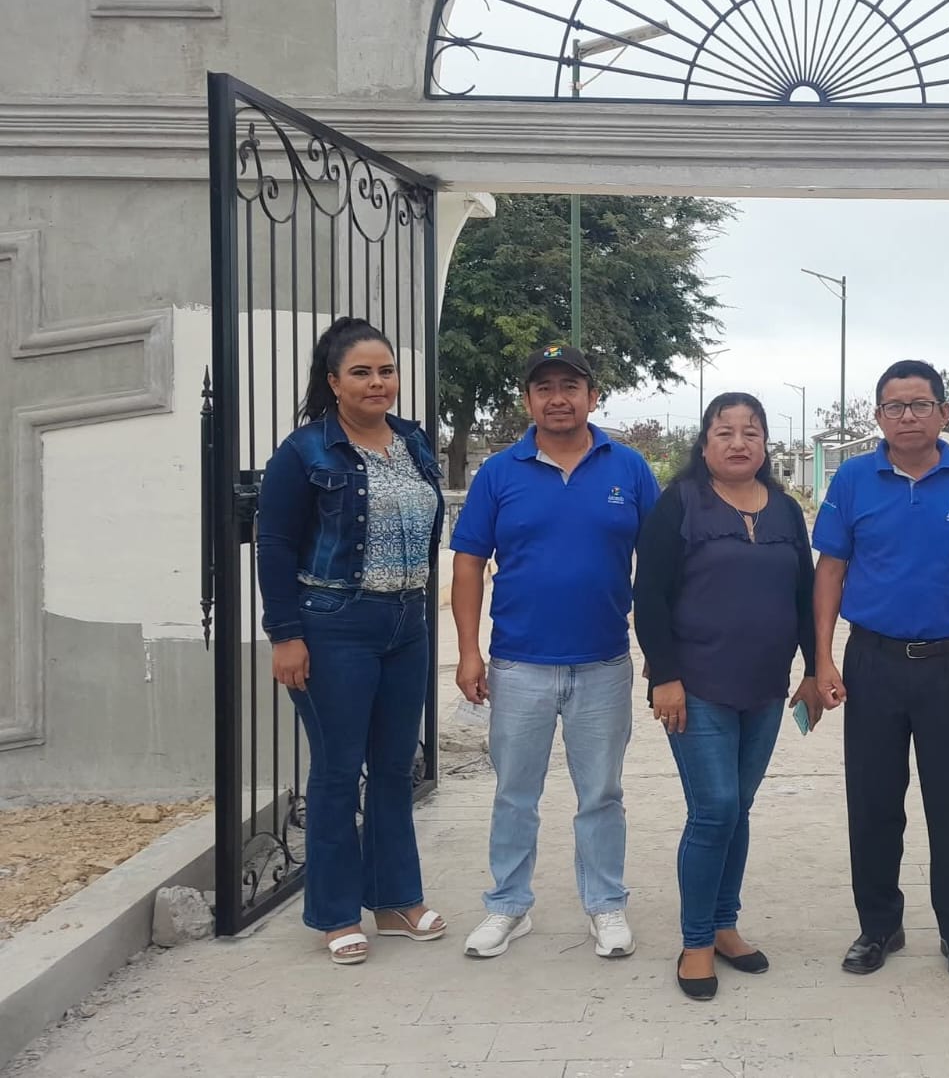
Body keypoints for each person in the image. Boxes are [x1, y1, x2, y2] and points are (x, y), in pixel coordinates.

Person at [450, 345, 659, 960]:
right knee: (515, 794)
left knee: (601, 795)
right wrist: (469, 652)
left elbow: (661, 564)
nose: (558, 398)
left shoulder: (629, 468)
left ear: (593, 396)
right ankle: (508, 906)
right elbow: (468, 564)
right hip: (518, 665)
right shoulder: (499, 473)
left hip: (604, 663)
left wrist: (661, 648)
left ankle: (606, 903)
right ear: (528, 400)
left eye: (571, 386)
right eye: (544, 388)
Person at [811, 360, 949, 985]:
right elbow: (830, 570)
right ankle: (879, 926)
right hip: (871, 663)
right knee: (873, 803)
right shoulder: (853, 478)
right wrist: (822, 658)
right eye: (894, 406)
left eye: (920, 404)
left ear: (944, 412)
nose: (907, 416)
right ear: (878, 416)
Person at [258, 317, 447, 965]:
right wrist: (285, 634)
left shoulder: (413, 442)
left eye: (386, 371)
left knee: (394, 768)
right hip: (333, 625)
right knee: (339, 771)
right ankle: (336, 912)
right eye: (361, 372)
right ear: (334, 382)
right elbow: (275, 545)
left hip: (406, 624)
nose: (377, 383)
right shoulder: (305, 452)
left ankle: (395, 900)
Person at [633, 392, 823, 1001]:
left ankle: (723, 925)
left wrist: (815, 668)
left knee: (738, 807)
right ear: (705, 442)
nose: (739, 442)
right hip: (696, 687)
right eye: (725, 431)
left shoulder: (786, 510)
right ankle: (695, 941)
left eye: (751, 432)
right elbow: (649, 596)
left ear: (765, 443)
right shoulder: (679, 503)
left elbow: (805, 596)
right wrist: (664, 675)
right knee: (714, 808)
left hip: (765, 688)